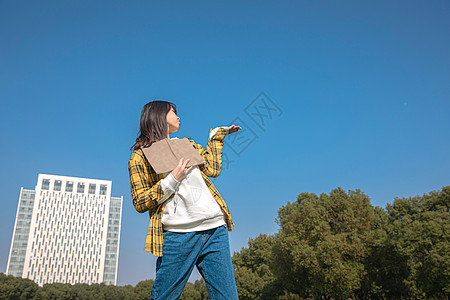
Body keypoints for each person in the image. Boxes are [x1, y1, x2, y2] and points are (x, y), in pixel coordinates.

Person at [128, 100, 242, 299]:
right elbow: (139, 201)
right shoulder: (140, 157)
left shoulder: (186, 144)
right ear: (159, 116)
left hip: (215, 229)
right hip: (178, 234)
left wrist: (216, 137)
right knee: (164, 296)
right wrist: (173, 178)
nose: (178, 116)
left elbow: (213, 169)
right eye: (174, 112)